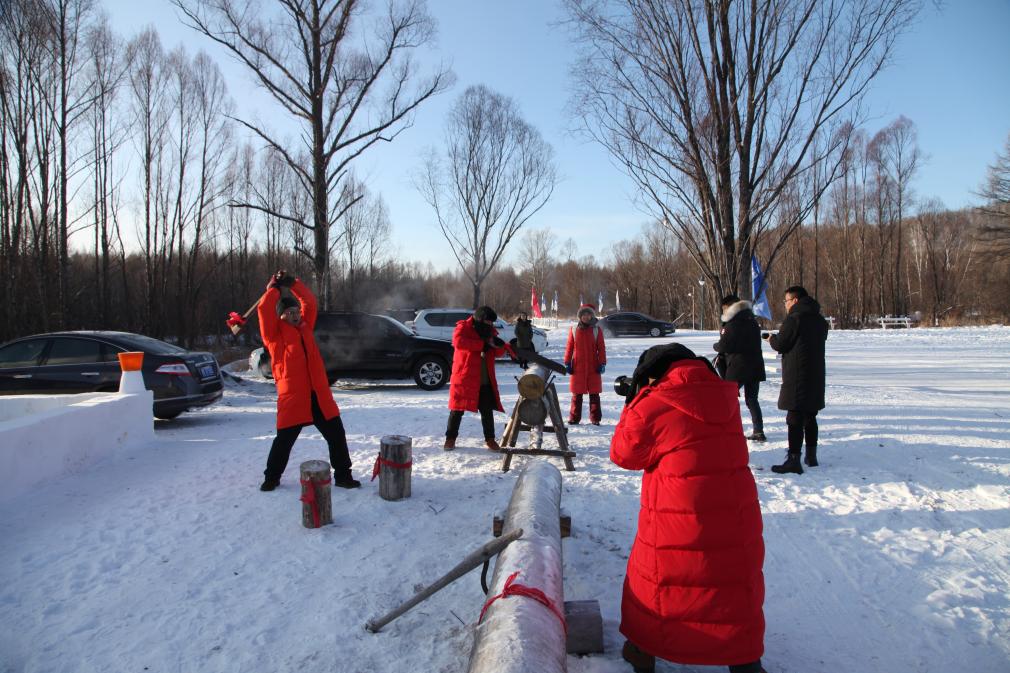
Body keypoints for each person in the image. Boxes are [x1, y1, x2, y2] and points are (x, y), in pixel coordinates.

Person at [611, 344, 766, 673]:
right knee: (732, 581)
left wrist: (634, 401)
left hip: (677, 514)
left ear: (653, 375)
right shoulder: (725, 396)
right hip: (733, 510)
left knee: (660, 580)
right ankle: (744, 659)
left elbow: (624, 454)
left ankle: (643, 649)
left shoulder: (652, 403)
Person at [257, 270, 360, 491]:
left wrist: (293, 283)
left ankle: (343, 475)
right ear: (281, 315)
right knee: (284, 441)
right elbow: (264, 309)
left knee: (336, 435)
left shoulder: (305, 328)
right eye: (289, 312)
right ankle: (272, 477)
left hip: (318, 394)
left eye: (296, 311)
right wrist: (274, 289)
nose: (295, 315)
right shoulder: (273, 336)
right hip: (293, 398)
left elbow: (309, 302)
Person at [763, 285, 829, 474]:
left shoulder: (795, 319)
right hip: (815, 374)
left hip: (797, 374)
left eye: (787, 301)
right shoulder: (819, 320)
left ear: (795, 301)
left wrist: (771, 340)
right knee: (810, 415)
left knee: (794, 417)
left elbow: (782, 344)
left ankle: (793, 459)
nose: (785, 305)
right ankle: (811, 456)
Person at [444, 306, 509, 450]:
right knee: (457, 410)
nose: (491, 325)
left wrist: (501, 347)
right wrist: (481, 345)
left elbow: (496, 354)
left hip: (484, 377)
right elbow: (458, 342)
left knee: (487, 411)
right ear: (480, 319)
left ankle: (490, 439)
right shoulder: (463, 327)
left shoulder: (489, 331)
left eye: (492, 323)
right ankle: (450, 438)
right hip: (465, 377)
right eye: (488, 322)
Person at [713, 294, 767, 441]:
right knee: (752, 399)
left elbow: (724, 345)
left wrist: (715, 346)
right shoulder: (752, 321)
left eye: (724, 309)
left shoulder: (732, 324)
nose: (723, 312)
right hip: (755, 366)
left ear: (730, 308)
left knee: (728, 400)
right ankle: (758, 430)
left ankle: (728, 430)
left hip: (737, 367)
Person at [564, 304, 607, 425]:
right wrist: (567, 362)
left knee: (594, 394)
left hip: (594, 366)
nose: (586, 317)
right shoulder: (573, 329)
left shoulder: (596, 330)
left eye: (588, 314)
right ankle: (574, 418)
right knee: (576, 395)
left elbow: (601, 348)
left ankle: (595, 419)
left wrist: (602, 363)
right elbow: (569, 347)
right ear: (580, 316)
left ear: (591, 316)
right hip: (578, 367)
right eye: (584, 314)